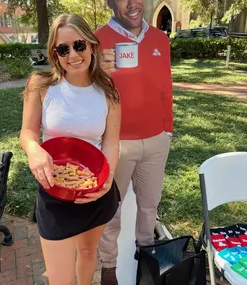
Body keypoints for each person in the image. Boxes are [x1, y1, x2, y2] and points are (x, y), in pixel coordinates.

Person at [20, 14, 121, 285]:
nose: (73, 55)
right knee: (60, 279)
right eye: (63, 49)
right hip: (55, 191)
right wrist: (34, 150)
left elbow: (111, 141)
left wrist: (107, 178)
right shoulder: (41, 84)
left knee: (88, 252)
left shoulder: (108, 91)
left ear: (91, 45)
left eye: (79, 45)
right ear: (54, 53)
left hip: (96, 190)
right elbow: (28, 133)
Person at [94, 0, 173, 284]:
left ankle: (147, 262)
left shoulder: (160, 39)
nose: (133, 4)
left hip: (155, 141)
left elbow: (166, 86)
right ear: (110, 3)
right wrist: (95, 69)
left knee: (150, 207)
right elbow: (79, 89)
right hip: (116, 143)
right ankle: (108, 267)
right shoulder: (95, 39)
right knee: (111, 210)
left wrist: (168, 130)